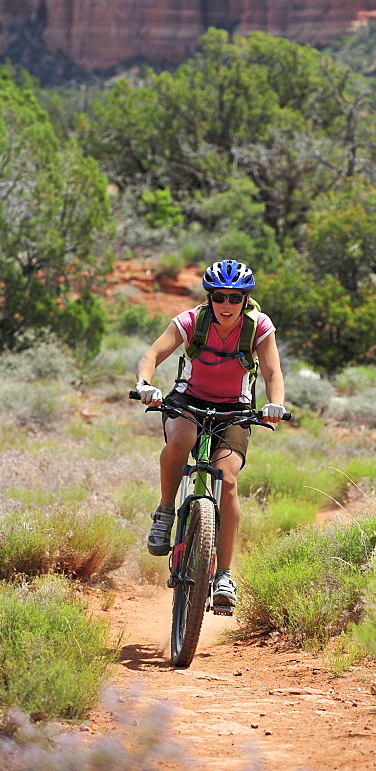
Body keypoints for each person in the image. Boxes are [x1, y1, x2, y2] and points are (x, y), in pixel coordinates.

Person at [135, 259, 285, 611]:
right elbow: (153, 354)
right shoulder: (191, 321)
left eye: (236, 298)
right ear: (210, 297)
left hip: (235, 408)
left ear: (246, 300)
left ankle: (224, 576)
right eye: (220, 297)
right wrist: (145, 384)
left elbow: (273, 373)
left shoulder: (258, 326)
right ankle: (166, 511)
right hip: (189, 400)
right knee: (181, 439)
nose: (227, 305)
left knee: (228, 480)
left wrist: (275, 404)